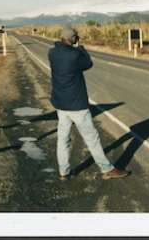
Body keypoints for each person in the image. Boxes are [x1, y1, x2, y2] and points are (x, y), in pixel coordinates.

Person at [48, 26, 128, 181]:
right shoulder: (75, 54)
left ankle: (64, 171)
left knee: (63, 138)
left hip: (60, 103)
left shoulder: (52, 52)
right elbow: (88, 63)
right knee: (91, 138)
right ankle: (107, 169)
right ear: (73, 38)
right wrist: (82, 48)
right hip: (77, 104)